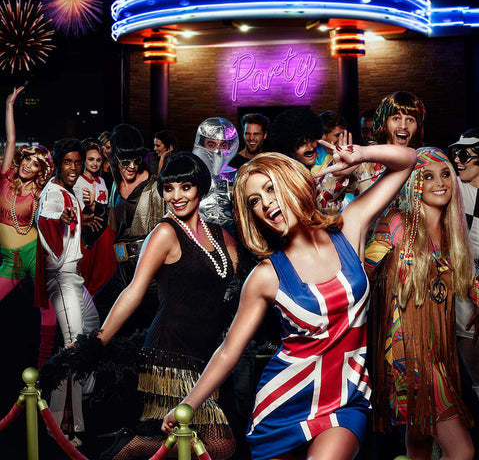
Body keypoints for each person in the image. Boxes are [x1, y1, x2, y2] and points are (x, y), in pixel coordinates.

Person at [163, 144, 417, 460]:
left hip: (347, 396)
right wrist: (188, 404)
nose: (266, 203)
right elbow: (229, 350)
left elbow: (407, 161)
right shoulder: (266, 276)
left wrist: (361, 154)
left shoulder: (350, 228)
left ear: (292, 182)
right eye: (255, 201)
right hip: (283, 403)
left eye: (271, 188)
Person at [97, 152, 238, 460]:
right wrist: (97, 342)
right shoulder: (164, 232)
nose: (176, 196)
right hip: (169, 354)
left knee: (194, 443)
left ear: (200, 189)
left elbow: (239, 284)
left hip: (206, 356)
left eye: (185, 187)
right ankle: (125, 450)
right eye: (168, 188)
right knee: (216, 444)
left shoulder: (220, 235)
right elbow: (133, 291)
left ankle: (129, 445)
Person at [364, 147, 477, 460]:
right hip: (407, 352)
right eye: (428, 176)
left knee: (420, 442)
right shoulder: (396, 223)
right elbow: (360, 273)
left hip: (437, 349)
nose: (439, 183)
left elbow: (467, 278)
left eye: (445, 175)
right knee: (462, 451)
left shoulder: (452, 230)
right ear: (414, 184)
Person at [35, 137, 101, 446]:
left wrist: (83, 217)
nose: (74, 167)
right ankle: (63, 425)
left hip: (73, 278)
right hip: (61, 278)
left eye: (78, 162)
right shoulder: (53, 194)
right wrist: (60, 221)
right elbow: (47, 219)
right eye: (68, 162)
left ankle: (82, 391)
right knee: (73, 346)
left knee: (93, 330)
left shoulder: (67, 191)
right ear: (57, 164)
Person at [0, 86, 56, 367]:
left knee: (47, 308)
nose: (28, 165)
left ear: (39, 171)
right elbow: (11, 139)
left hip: (34, 254)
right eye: (27, 159)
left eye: (36, 164)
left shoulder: (39, 191)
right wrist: (10, 105)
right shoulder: (6, 176)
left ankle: (46, 365)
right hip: (10, 259)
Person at [93, 124, 166, 330]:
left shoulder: (154, 188)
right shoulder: (116, 185)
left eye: (136, 160)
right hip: (122, 269)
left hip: (149, 273)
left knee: (147, 328)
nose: (132, 166)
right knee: (97, 312)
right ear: (115, 157)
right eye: (126, 161)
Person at [449, 128, 479, 401]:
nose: (457, 160)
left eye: (465, 154)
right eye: (455, 153)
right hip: (464, 279)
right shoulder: (456, 188)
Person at [73, 139, 116, 296]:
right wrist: (84, 217)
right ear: (83, 160)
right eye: (91, 159)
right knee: (84, 281)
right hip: (86, 237)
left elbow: (105, 209)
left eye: (98, 160)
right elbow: (75, 209)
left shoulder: (102, 181)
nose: (95, 163)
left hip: (104, 236)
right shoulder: (77, 181)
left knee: (104, 281)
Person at [192, 117, 239, 233]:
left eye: (223, 145)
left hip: (230, 237)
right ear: (201, 145)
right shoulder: (191, 173)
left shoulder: (236, 175)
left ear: (229, 146)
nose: (217, 151)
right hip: (197, 235)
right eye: (211, 144)